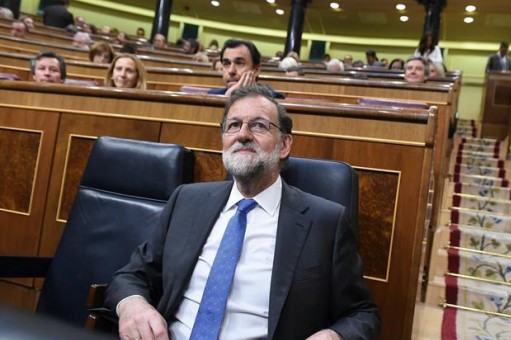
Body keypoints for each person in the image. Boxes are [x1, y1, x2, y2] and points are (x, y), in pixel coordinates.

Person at [105, 84, 381, 340]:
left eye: (259, 125)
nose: (243, 134)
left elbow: (363, 314)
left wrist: (334, 336)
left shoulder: (325, 221)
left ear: (284, 145)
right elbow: (132, 274)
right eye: (233, 125)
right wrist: (132, 305)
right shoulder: (187, 200)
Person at [208, 39, 285, 98]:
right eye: (226, 64)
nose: (231, 71)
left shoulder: (273, 99)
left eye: (239, 63)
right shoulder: (212, 96)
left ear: (256, 70)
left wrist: (230, 99)